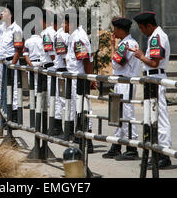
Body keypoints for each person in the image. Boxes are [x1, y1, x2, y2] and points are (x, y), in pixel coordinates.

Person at [132, 11, 172, 168]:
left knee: (160, 118)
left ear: (149, 25)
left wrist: (141, 56)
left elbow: (155, 63)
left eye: (142, 28)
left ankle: (164, 153)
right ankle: (156, 151)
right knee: (152, 117)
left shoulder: (157, 37)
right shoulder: (154, 36)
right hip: (151, 79)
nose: (142, 31)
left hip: (156, 78)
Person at [102, 17, 141, 160]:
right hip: (120, 82)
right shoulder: (125, 43)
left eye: (115, 29)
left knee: (127, 115)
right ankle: (117, 145)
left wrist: (113, 47)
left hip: (126, 81)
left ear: (121, 29)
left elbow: (117, 64)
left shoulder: (128, 44)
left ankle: (132, 147)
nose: (114, 32)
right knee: (118, 115)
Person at [64, 10, 95, 153]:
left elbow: (87, 60)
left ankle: (86, 139)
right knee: (75, 108)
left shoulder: (78, 37)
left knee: (83, 107)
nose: (62, 25)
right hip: (73, 78)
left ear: (70, 23)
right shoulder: (73, 36)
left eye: (64, 22)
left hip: (80, 78)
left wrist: (89, 78)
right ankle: (78, 135)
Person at [0, 5, 23, 124]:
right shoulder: (3, 27)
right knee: (2, 89)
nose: (2, 14)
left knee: (13, 90)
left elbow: (19, 49)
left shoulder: (16, 29)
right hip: (2, 62)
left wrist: (12, 66)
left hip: (11, 62)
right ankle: (4, 116)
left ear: (10, 15)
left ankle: (13, 118)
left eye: (4, 12)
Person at [53, 14, 69, 138]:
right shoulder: (62, 34)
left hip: (62, 69)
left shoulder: (59, 34)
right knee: (64, 101)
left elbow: (61, 53)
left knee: (62, 100)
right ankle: (61, 128)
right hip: (64, 69)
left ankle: (59, 128)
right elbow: (62, 54)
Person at [23, 27, 44, 98]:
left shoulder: (27, 41)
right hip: (41, 63)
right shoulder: (41, 40)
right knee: (41, 83)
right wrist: (42, 64)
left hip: (31, 63)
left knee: (32, 84)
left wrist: (31, 66)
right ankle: (40, 102)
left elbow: (26, 55)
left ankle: (33, 102)